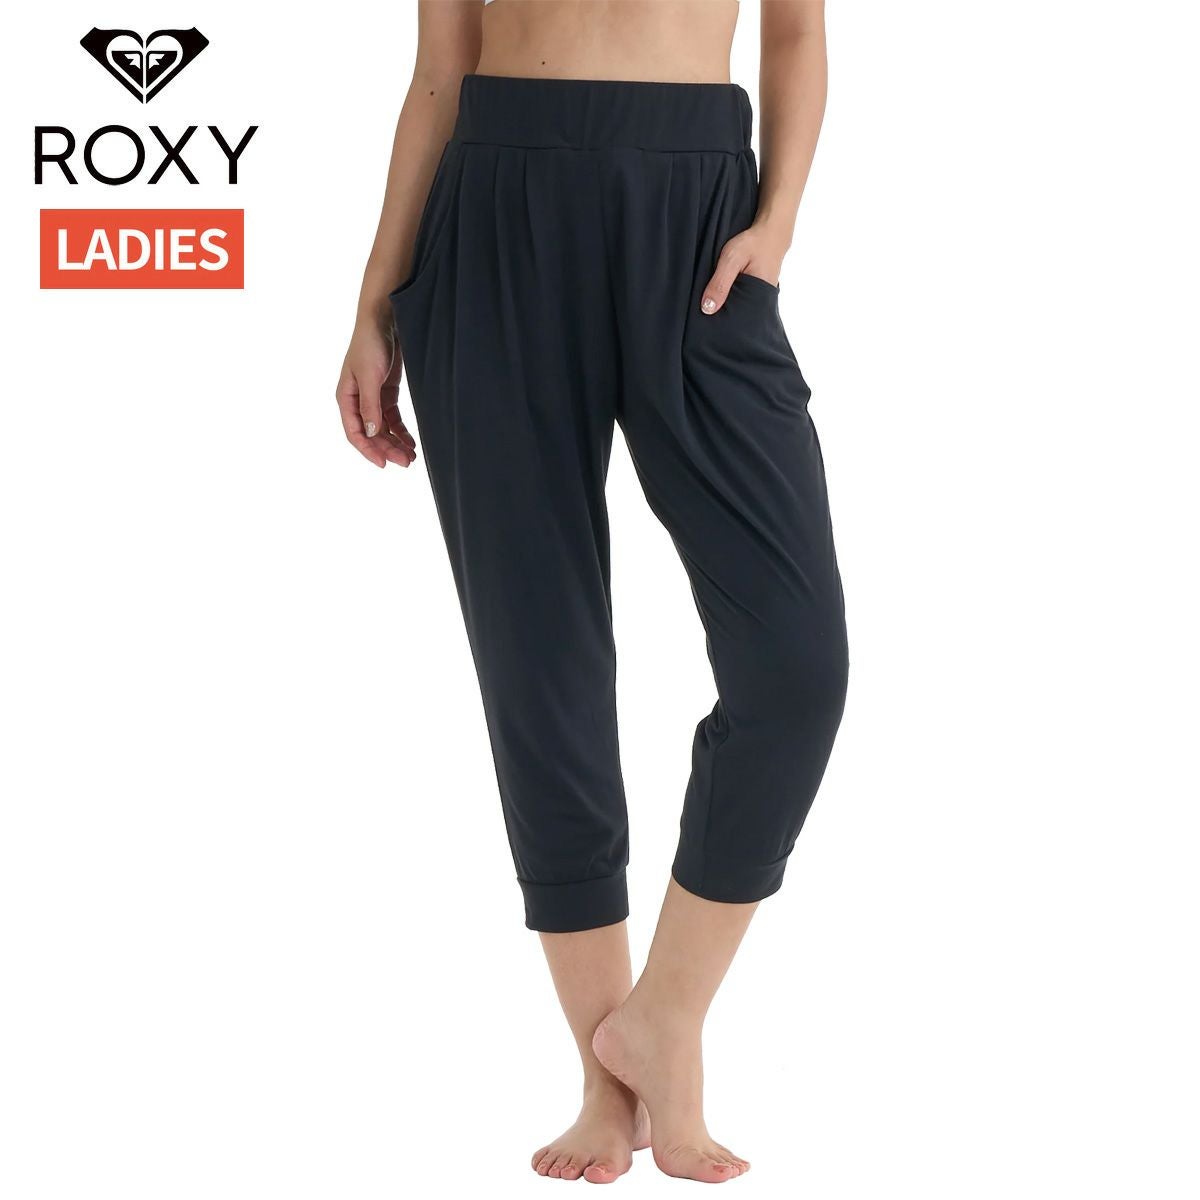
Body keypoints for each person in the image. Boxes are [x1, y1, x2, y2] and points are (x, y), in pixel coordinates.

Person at [335, 0, 845, 1184]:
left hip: (700, 222)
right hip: (495, 210)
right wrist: (373, 299)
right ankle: (602, 1078)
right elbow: (441, 67)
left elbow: (796, 33)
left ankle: (664, 1016)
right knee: (541, 663)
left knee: (797, 667)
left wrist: (776, 222)